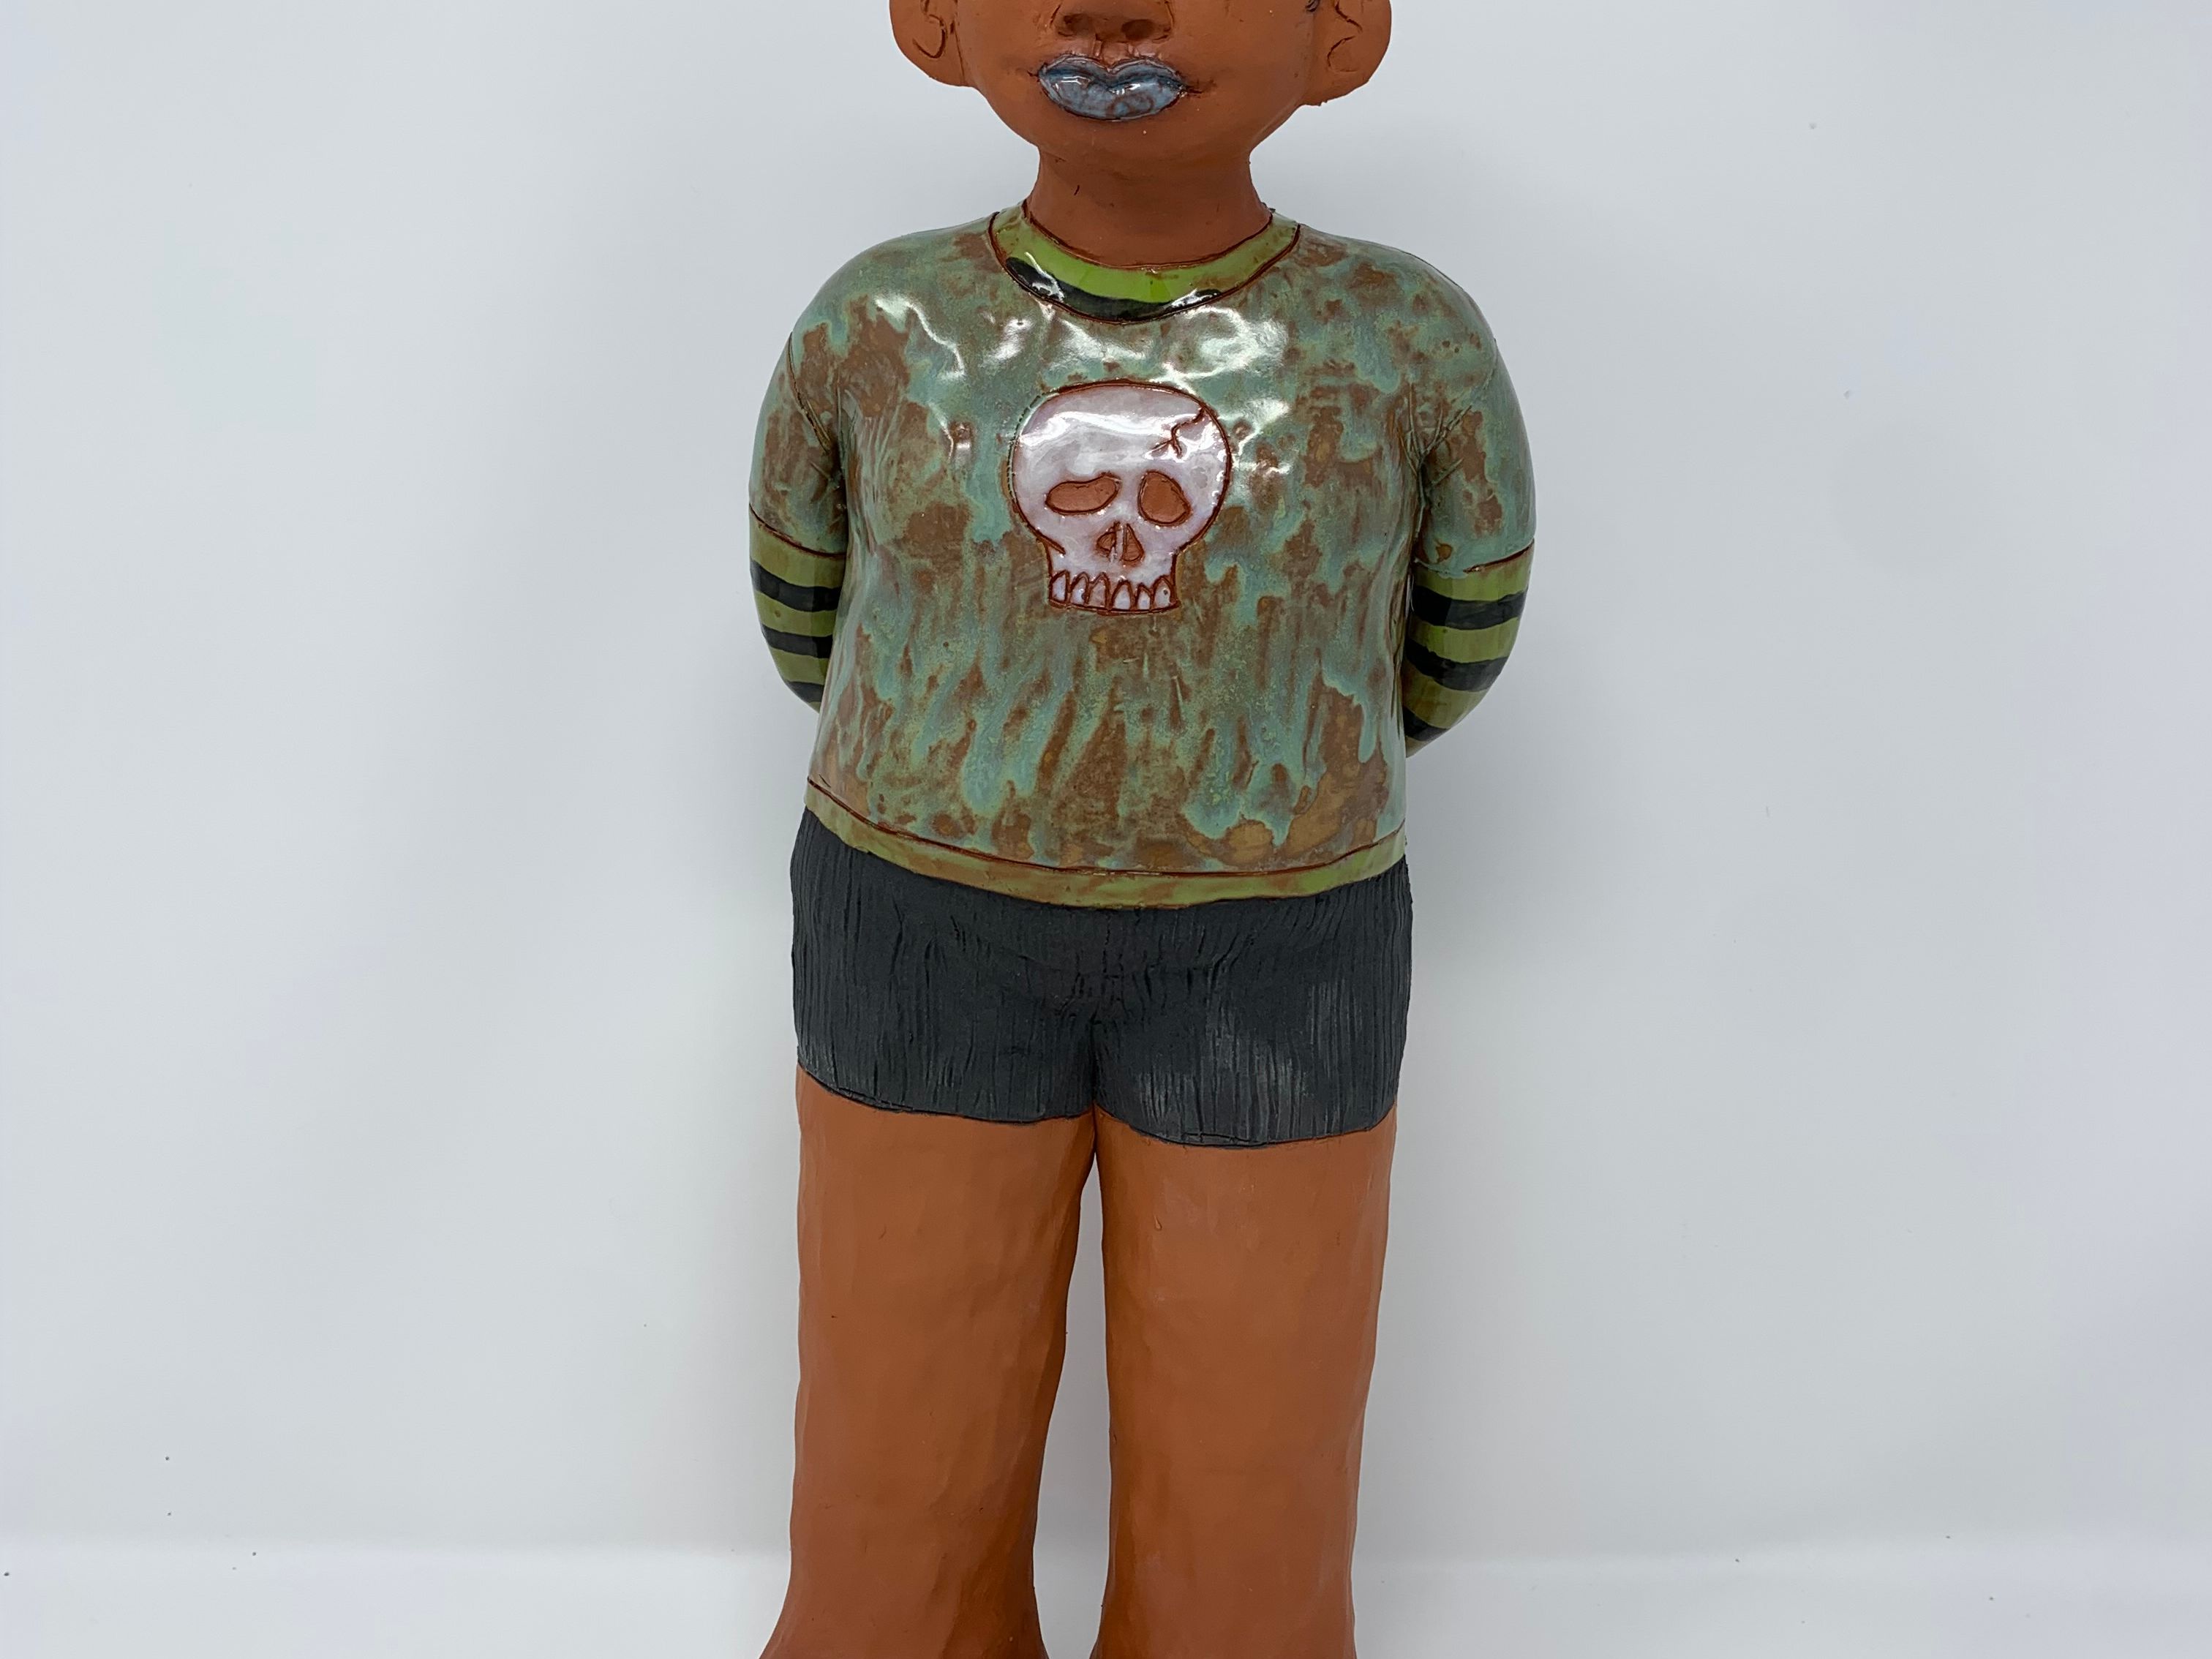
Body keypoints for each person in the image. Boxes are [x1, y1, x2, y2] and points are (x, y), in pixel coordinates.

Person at [746, 2, 1534, 1652]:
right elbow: (812, 614)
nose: (1115, 10)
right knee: (902, 1378)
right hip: (917, 926)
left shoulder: (1406, 345)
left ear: (1341, 30)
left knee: (1259, 1399)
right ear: (931, 19)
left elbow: (1457, 632)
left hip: (1282, 950)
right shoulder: (876, 326)